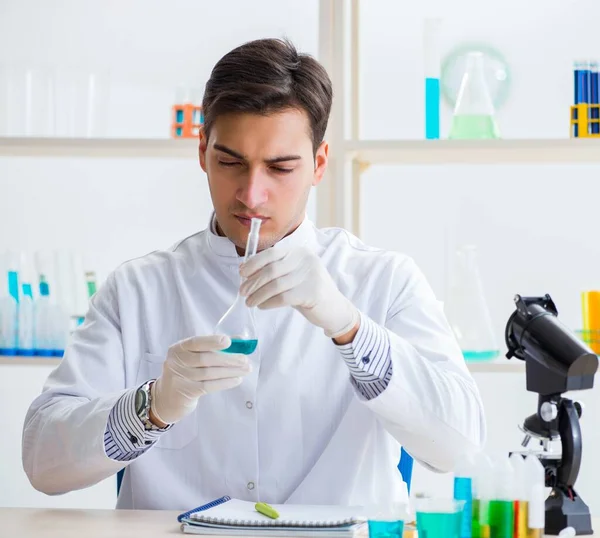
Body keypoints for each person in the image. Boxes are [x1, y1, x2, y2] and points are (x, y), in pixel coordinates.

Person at [23, 38, 485, 510]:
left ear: (319, 164)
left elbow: (458, 446)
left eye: (280, 167)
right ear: (202, 152)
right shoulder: (139, 289)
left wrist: (350, 327)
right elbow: (43, 464)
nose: (252, 194)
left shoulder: (384, 280)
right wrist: (154, 406)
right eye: (230, 162)